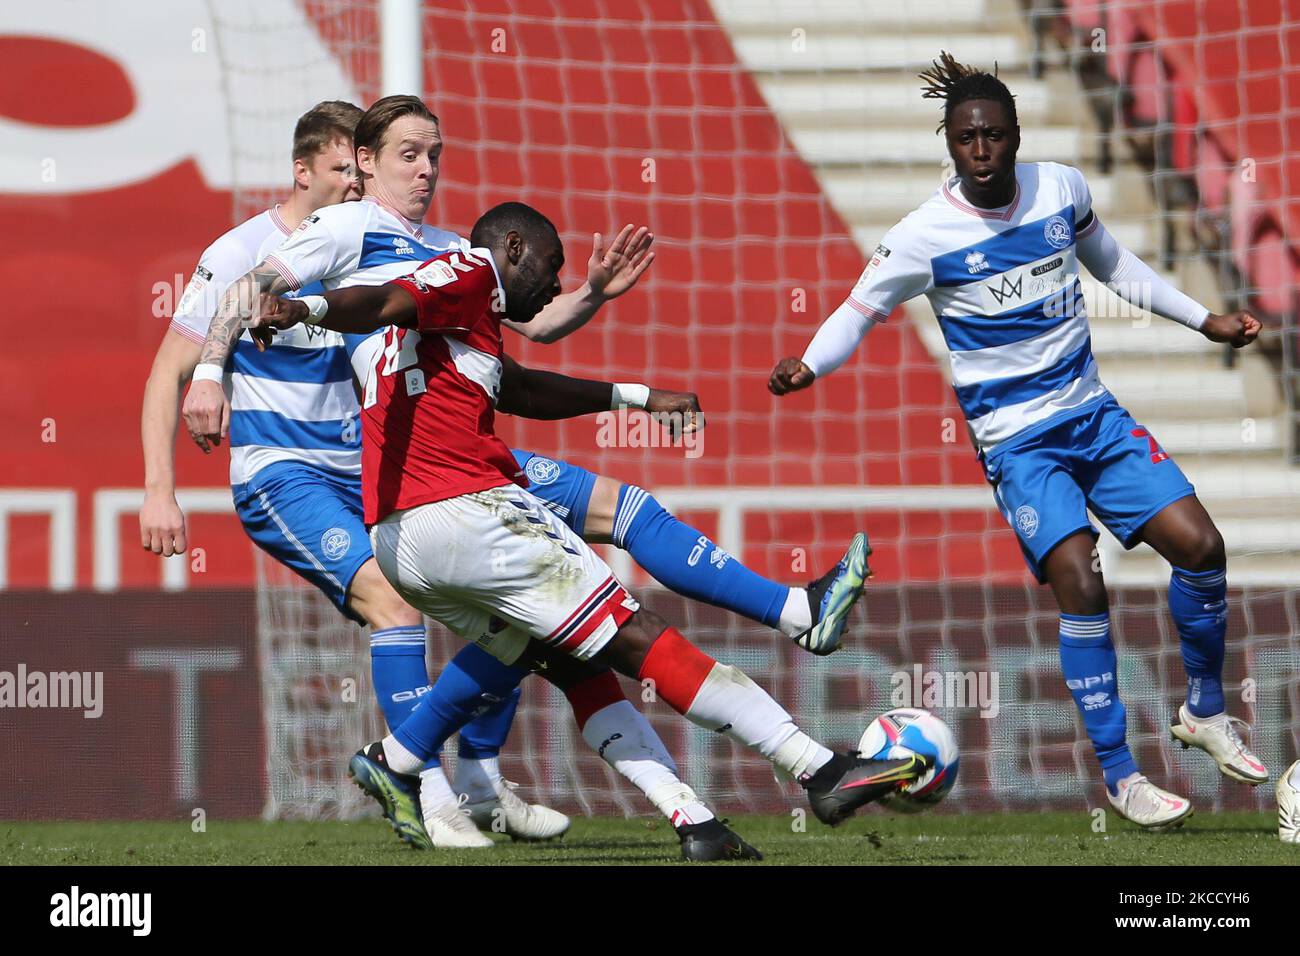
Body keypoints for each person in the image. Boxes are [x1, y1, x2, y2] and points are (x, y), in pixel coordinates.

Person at [181, 95, 869, 855]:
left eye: (435, 153)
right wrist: (218, 365)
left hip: (412, 508)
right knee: (628, 633)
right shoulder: (358, 230)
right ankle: (815, 762)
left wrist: (614, 349)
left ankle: (416, 762)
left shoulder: (446, 250)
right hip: (447, 489)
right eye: (409, 153)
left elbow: (516, 355)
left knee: (563, 616)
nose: (428, 169)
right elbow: (312, 293)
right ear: (365, 163)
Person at [769, 52, 1268, 829]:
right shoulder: (922, 238)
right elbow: (856, 311)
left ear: (1015, 136)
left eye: (995, 137)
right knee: (1081, 580)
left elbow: (1114, 266)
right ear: (949, 142)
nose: (982, 152)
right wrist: (809, 362)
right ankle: (1120, 774)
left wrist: (1203, 319)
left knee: (1202, 546)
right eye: (967, 139)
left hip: (1094, 415)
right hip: (1018, 444)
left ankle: (1204, 711)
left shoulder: (1060, 188)